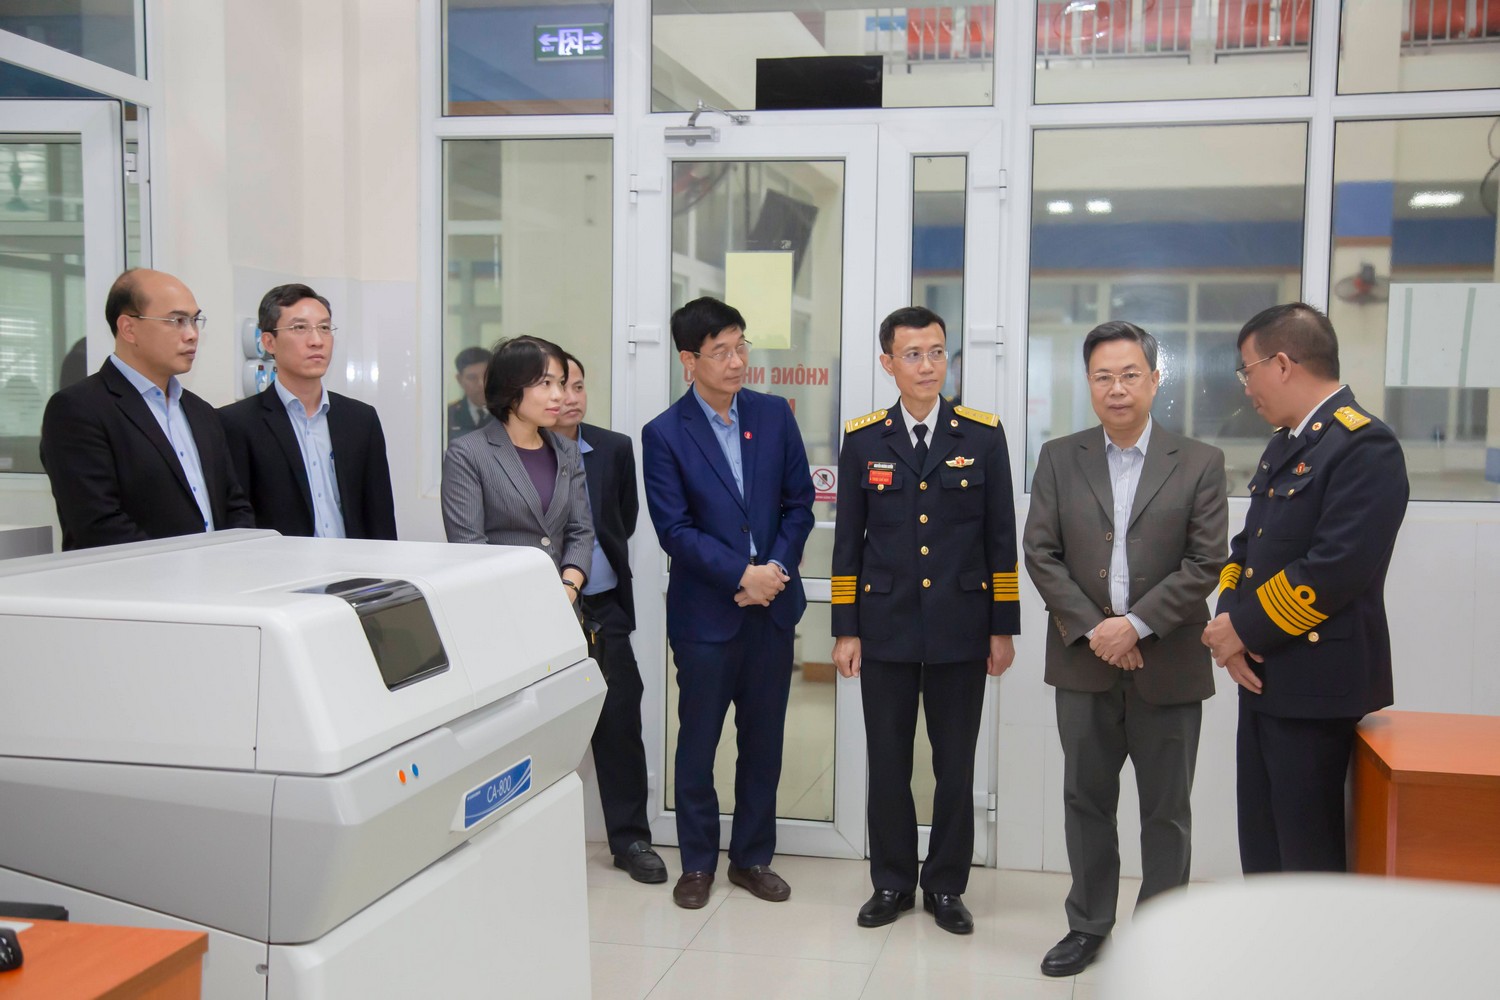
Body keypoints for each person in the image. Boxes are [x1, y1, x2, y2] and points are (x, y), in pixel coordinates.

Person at [1023, 320, 1228, 976]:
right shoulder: (1060, 457)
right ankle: (1088, 924)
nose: (1117, 388)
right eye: (1103, 376)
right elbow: (1040, 552)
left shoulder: (1199, 461)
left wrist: (1134, 626)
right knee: (1086, 800)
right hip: (1082, 660)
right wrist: (1097, 630)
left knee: (1167, 810)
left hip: (1168, 662)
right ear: (1088, 383)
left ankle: (1162, 934)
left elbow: (1206, 562)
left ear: (1155, 379)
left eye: (1130, 374)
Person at [831, 305, 1019, 936]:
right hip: (884, 626)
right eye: (913, 354)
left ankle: (945, 885)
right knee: (887, 761)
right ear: (888, 363)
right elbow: (848, 543)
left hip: (962, 627)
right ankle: (891, 881)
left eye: (937, 352)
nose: (928, 365)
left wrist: (1002, 627)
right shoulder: (864, 439)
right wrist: (846, 628)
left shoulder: (982, 435)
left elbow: (1000, 539)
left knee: (954, 765)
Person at [1202, 302, 1407, 875]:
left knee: (1307, 858)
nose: (1247, 388)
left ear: (1282, 364)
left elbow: (1336, 568)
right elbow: (1247, 551)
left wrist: (1242, 629)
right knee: (1263, 847)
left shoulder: (1364, 445)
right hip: (1263, 677)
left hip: (1316, 688)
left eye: (1248, 371)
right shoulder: (1286, 444)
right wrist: (1227, 623)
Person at [641, 297, 815, 910]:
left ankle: (752, 858)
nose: (737, 361)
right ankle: (696, 863)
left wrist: (775, 571)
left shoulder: (772, 415)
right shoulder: (664, 434)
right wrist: (741, 574)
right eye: (721, 351)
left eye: (741, 347)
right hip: (706, 618)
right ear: (689, 361)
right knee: (698, 744)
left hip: (772, 610)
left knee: (763, 743)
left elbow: (799, 504)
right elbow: (674, 530)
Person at [39, 268, 254, 550]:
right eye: (177, 321)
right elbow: (98, 524)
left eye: (194, 320)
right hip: (130, 577)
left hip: (216, 575)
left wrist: (234, 559)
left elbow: (235, 505)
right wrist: (183, 569)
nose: (192, 334)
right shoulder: (77, 409)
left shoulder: (201, 412)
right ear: (128, 328)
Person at [554, 351, 664, 885]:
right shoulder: (514, 453)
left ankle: (631, 839)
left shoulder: (614, 448)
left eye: (578, 385)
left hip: (604, 609)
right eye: (559, 386)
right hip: (544, 617)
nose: (571, 397)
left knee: (620, 724)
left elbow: (624, 520)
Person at [219, 284, 397, 540]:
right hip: (281, 563)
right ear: (269, 342)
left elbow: (380, 518)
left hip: (353, 563)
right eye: (299, 328)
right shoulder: (236, 423)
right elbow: (238, 522)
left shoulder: (360, 419)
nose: (316, 341)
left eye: (324, 328)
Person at [440, 337, 592, 610]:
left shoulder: (567, 451)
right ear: (511, 388)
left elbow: (580, 531)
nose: (559, 395)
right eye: (545, 383)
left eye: (560, 383)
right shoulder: (468, 453)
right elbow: (470, 545)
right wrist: (525, 601)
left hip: (562, 607)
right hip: (499, 608)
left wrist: (567, 588)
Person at [448, 345, 493, 443]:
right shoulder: (449, 415)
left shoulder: (508, 414)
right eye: (472, 378)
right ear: (460, 380)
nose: (481, 384)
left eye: (486, 376)